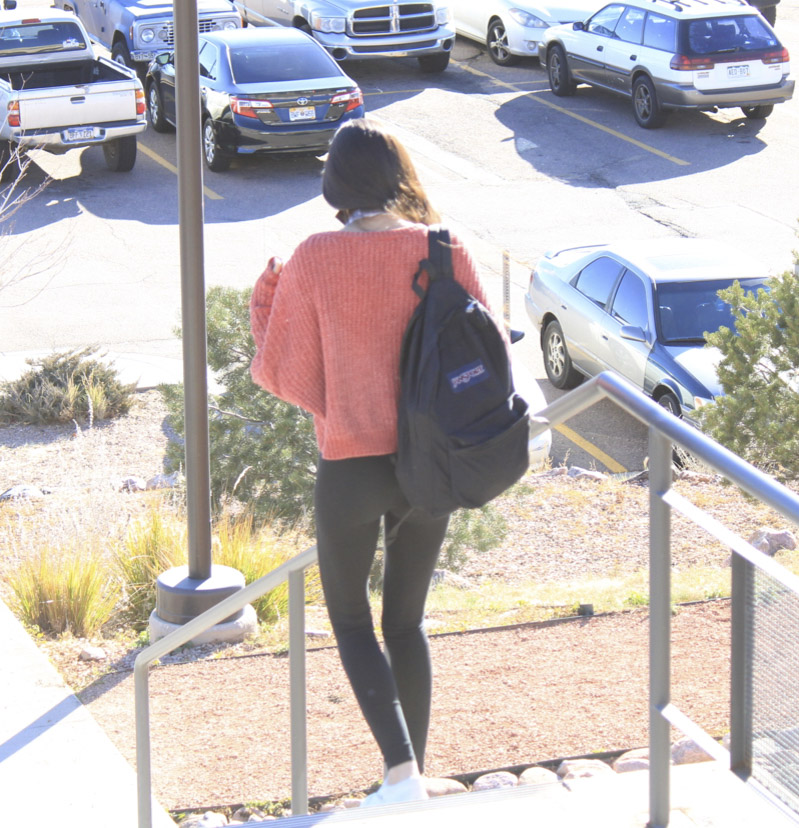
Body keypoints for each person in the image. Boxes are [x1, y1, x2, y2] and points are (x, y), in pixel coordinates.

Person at [249, 118, 503, 808]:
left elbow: (280, 370)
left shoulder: (314, 255)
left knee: (352, 624)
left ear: (337, 181)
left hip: (352, 469)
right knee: (405, 623)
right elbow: (488, 349)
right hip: (434, 467)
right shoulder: (445, 249)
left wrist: (267, 295)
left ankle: (399, 774)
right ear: (399, 174)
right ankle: (410, 773)